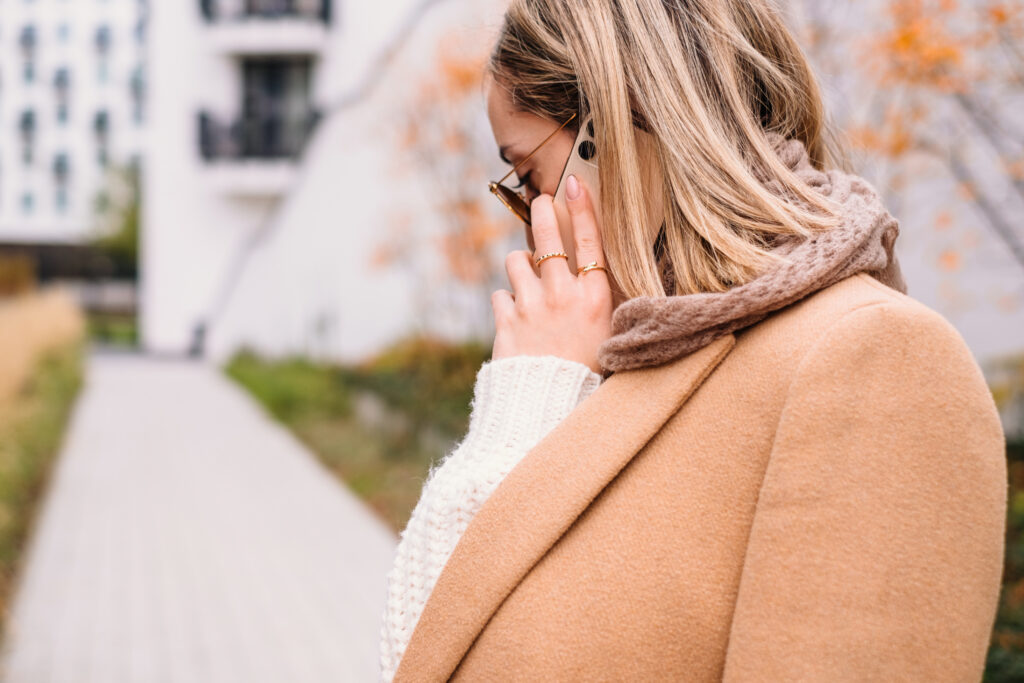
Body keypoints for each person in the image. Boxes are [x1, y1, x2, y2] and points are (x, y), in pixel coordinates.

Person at [378, 0, 1008, 680]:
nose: (534, 224)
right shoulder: (625, 366)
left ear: (615, 130)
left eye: (531, 178)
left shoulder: (875, 360)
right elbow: (422, 654)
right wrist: (524, 412)